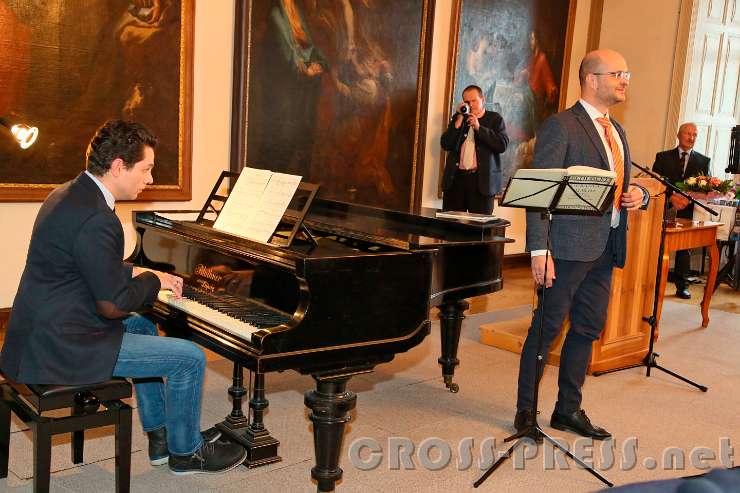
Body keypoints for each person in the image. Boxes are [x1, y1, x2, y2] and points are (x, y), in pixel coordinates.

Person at [0, 120, 247, 475]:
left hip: (40, 329)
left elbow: (88, 262)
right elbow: (112, 305)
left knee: (144, 325)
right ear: (118, 166)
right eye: (146, 169)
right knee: (190, 358)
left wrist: (139, 273)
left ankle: (162, 436)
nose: (149, 179)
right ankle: (186, 452)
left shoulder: (71, 193)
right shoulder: (99, 217)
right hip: (65, 343)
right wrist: (150, 279)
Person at [514, 50, 649, 442]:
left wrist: (637, 193)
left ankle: (567, 409)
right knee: (547, 329)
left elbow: (620, 183)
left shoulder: (616, 130)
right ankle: (526, 411)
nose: (625, 79)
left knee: (587, 328)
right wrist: (540, 250)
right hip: (568, 248)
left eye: (627, 72)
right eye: (618, 73)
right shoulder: (562, 126)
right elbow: (540, 192)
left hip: (606, 245)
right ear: (591, 78)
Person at [653, 122, 710, 299]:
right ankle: (654, 282)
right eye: (688, 134)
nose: (691, 138)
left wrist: (686, 199)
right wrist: (671, 198)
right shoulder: (663, 157)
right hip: (665, 206)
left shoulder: (703, 161)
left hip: (688, 209)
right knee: (659, 245)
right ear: (679, 135)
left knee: (684, 250)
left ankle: (682, 286)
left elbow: (704, 187)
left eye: (694, 135)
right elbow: (656, 181)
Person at [440, 84, 509, 214]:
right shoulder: (458, 118)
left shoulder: (495, 119)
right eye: (466, 101)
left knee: (478, 229)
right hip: (456, 181)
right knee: (451, 227)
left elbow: (502, 144)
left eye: (474, 101)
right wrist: (458, 121)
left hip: (481, 183)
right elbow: (445, 144)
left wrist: (479, 128)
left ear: (482, 100)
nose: (470, 104)